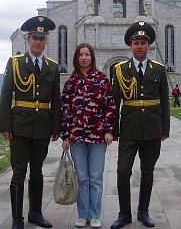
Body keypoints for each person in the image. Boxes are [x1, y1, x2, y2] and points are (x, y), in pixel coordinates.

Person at [0, 16, 60, 229]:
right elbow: (6, 95)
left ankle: (35, 213)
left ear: (46, 41)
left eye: (42, 38)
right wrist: (5, 125)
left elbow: (55, 99)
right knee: (18, 172)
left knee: (37, 170)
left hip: (42, 126)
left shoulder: (52, 67)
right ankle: (17, 219)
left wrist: (56, 126)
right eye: (35, 38)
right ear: (28, 39)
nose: (38, 42)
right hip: (20, 126)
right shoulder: (15, 63)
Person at [111, 21, 170, 229]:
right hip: (128, 128)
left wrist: (165, 129)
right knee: (122, 171)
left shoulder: (159, 69)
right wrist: (113, 130)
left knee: (147, 171)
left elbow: (164, 100)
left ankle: (143, 212)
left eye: (143, 42)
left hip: (153, 128)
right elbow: (114, 101)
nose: (139, 46)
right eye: (136, 42)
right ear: (130, 45)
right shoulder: (120, 70)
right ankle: (124, 214)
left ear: (149, 45)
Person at [60, 43, 116, 228]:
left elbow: (109, 106)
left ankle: (95, 214)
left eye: (87, 55)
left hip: (98, 136)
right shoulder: (71, 82)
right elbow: (65, 110)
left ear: (92, 57)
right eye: (81, 55)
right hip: (76, 137)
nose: (84, 58)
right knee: (82, 177)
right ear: (76, 58)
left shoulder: (101, 79)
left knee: (96, 177)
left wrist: (109, 130)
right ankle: (83, 215)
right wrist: (65, 136)